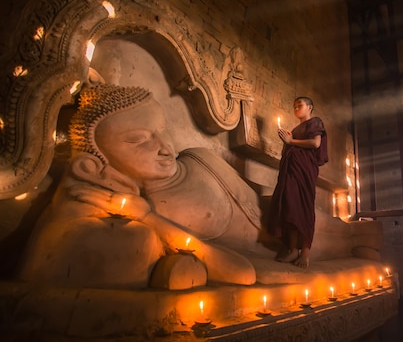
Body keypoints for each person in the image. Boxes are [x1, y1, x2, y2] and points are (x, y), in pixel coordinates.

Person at [17, 84, 269, 288]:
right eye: (138, 140)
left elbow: (259, 219)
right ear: (91, 168)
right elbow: (242, 271)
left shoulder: (199, 156)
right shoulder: (135, 210)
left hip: (274, 231)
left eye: (162, 130)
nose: (164, 147)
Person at [268, 96, 328, 268]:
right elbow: (289, 149)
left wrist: (291, 141)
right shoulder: (294, 129)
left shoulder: (314, 122)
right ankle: (293, 249)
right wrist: (287, 142)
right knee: (290, 206)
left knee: (303, 207)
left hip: (305, 172)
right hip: (291, 172)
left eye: (300, 105)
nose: (296, 109)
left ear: (310, 107)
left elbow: (316, 143)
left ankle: (305, 253)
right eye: (294, 106)